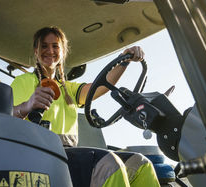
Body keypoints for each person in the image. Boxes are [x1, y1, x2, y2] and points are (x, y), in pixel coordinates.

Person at [11, 26, 160, 187]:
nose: (50, 50)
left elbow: (99, 87)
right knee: (110, 166)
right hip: (39, 156)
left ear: (62, 52)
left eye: (55, 46)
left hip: (68, 156)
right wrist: (27, 106)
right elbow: (3, 116)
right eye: (44, 46)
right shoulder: (23, 82)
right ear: (35, 51)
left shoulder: (68, 89)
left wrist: (124, 61)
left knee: (141, 163)